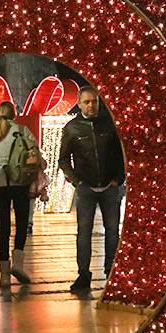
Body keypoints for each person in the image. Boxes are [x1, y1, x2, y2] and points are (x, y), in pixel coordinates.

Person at [59, 86, 126, 290]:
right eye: (87, 102)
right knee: (84, 232)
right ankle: (83, 275)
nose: (91, 105)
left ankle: (110, 271)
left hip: (109, 186)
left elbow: (120, 154)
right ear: (79, 104)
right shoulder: (72, 128)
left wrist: (118, 178)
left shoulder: (109, 124)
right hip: (86, 188)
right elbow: (63, 159)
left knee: (113, 231)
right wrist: (75, 181)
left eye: (95, 101)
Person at [0, 101, 41, 288]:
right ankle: (18, 265)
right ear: (14, 114)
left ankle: (4, 276)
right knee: (22, 223)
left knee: (3, 227)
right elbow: (35, 154)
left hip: (0, 185)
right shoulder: (22, 131)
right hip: (20, 183)